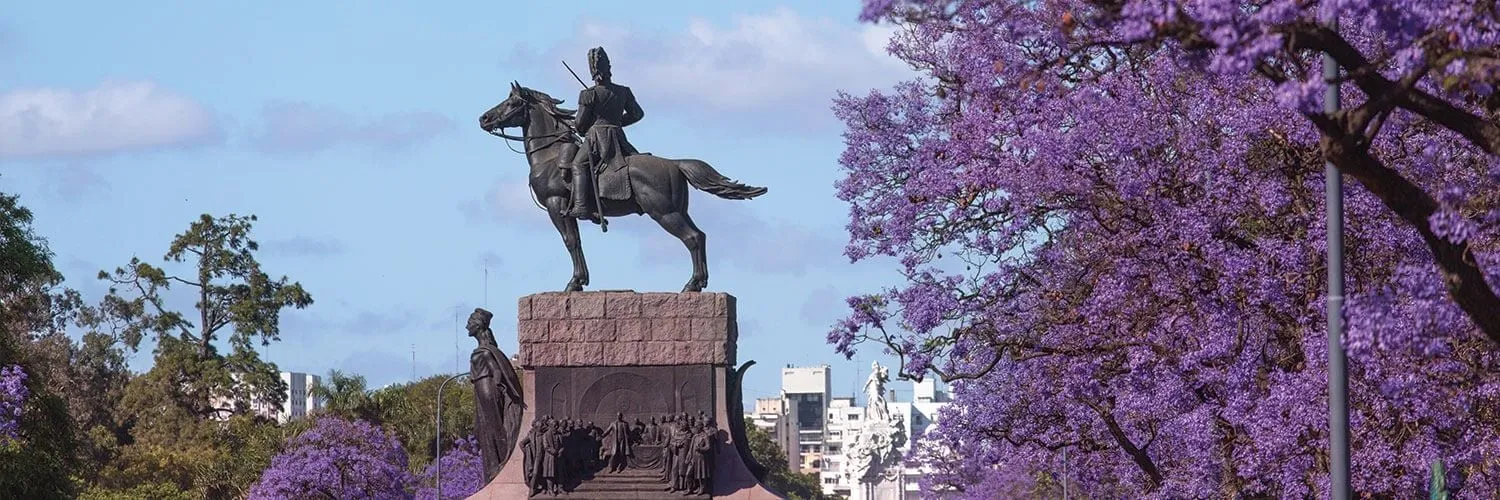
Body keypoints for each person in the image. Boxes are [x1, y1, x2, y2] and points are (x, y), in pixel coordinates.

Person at [565, 46, 645, 223]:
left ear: (593, 71)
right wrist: (617, 124)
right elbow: (637, 114)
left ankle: (581, 206)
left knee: (578, 164)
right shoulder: (623, 91)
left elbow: (580, 124)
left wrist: (583, 127)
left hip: (596, 138)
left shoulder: (588, 94)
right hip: (618, 137)